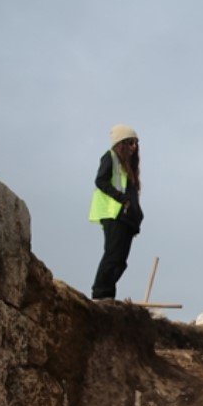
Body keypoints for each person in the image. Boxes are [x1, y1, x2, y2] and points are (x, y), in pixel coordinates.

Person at [88, 125, 143, 302]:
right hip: (113, 213)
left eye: (136, 143)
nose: (134, 147)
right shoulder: (110, 157)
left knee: (120, 260)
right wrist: (121, 198)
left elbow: (132, 195)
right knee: (113, 254)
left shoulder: (128, 168)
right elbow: (100, 180)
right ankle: (100, 293)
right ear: (121, 144)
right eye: (130, 142)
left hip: (125, 217)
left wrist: (136, 216)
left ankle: (108, 294)